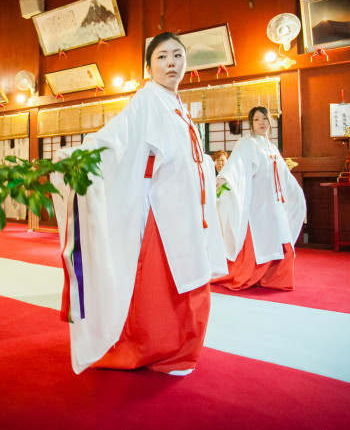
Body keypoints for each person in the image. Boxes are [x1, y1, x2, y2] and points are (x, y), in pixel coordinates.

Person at [51, 32, 227, 376]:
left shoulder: (177, 106)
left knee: (189, 279)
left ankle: (177, 349)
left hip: (185, 210)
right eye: (162, 57)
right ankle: (160, 349)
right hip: (163, 211)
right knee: (166, 287)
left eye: (177, 55)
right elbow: (115, 136)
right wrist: (76, 159)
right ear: (149, 66)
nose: (171, 62)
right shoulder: (147, 100)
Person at [213, 106, 306, 291]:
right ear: (251, 123)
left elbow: (284, 176)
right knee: (260, 240)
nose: (261, 123)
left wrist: (297, 194)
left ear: (270, 121)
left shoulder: (272, 147)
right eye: (256, 120)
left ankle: (275, 278)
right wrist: (224, 179)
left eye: (264, 118)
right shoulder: (247, 143)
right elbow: (235, 166)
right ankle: (252, 276)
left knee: (282, 239)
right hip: (257, 204)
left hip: (275, 203)